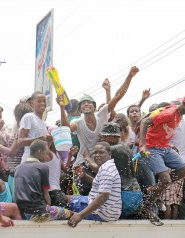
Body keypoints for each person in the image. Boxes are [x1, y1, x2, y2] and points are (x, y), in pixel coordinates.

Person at [59, 66, 139, 194]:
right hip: (83, 163)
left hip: (102, 161)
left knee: (106, 194)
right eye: (83, 103)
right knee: (86, 195)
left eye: (89, 102)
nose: (86, 104)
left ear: (94, 107)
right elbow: (66, 127)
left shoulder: (102, 114)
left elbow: (117, 97)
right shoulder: (78, 123)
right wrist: (62, 108)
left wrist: (129, 76)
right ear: (80, 110)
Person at [139, 92, 185, 225]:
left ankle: (157, 187)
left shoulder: (180, 115)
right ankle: (146, 208)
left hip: (164, 147)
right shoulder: (170, 114)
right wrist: (143, 145)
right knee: (165, 179)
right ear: (184, 104)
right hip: (152, 148)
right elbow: (145, 122)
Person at [14, 140, 72, 222]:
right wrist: (48, 210)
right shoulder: (43, 167)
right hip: (38, 211)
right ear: (39, 152)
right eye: (45, 153)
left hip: (22, 211)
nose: (46, 157)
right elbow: (46, 195)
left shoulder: (18, 168)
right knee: (70, 213)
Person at [67, 142, 122, 227]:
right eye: (95, 152)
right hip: (110, 213)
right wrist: (85, 176)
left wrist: (80, 215)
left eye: (101, 152)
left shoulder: (106, 170)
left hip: (101, 214)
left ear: (109, 153)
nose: (97, 155)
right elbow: (102, 186)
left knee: (63, 199)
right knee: (69, 198)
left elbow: (103, 196)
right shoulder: (109, 166)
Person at [95, 122, 142, 218]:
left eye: (105, 136)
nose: (103, 139)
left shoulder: (113, 149)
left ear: (114, 137)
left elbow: (98, 168)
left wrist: (87, 158)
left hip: (125, 195)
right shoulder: (124, 146)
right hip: (134, 193)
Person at [18, 91, 51, 163]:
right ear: (32, 104)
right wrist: (40, 139)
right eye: (39, 101)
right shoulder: (29, 117)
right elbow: (20, 141)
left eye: (44, 101)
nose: (42, 103)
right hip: (29, 162)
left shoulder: (43, 124)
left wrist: (49, 140)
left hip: (40, 163)